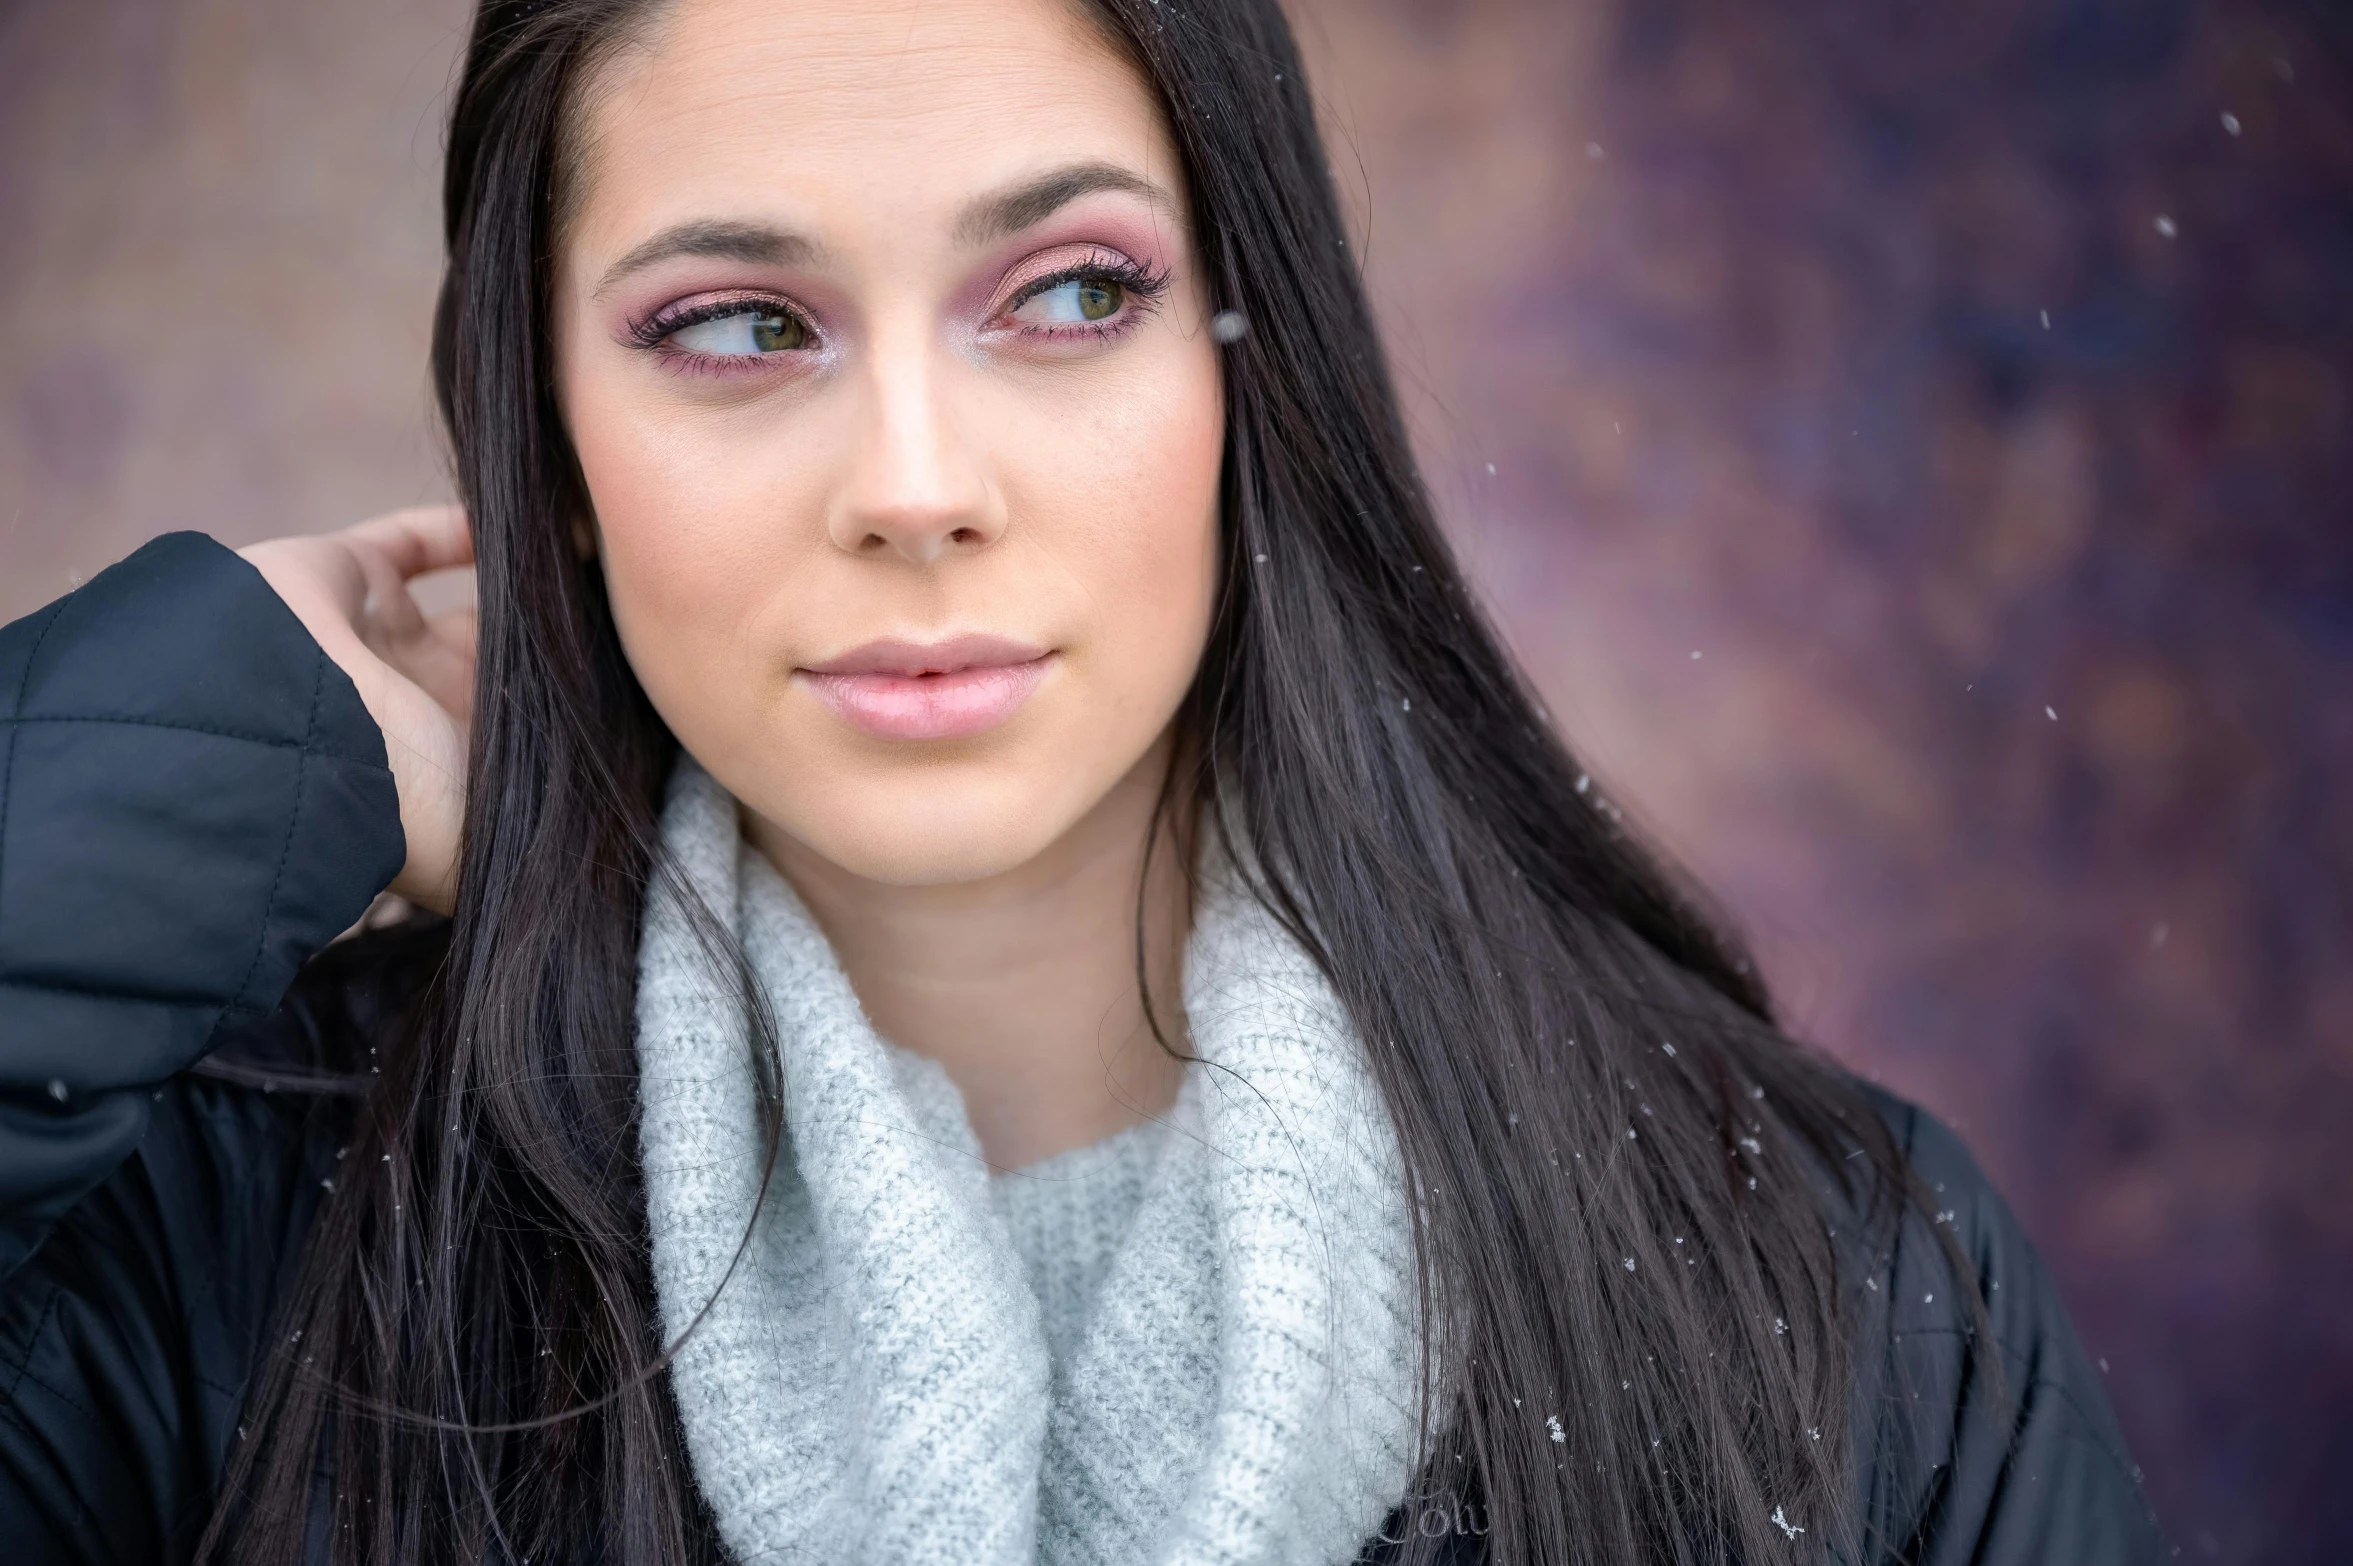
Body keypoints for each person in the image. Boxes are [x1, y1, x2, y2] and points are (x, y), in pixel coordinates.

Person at [0, 0, 2166, 1562]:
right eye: (742, 328)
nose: (918, 489)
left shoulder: (1836, 1282)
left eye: (1069, 293)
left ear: (1253, 359)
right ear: (545, 444)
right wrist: (185, 758)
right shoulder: (228, 1241)